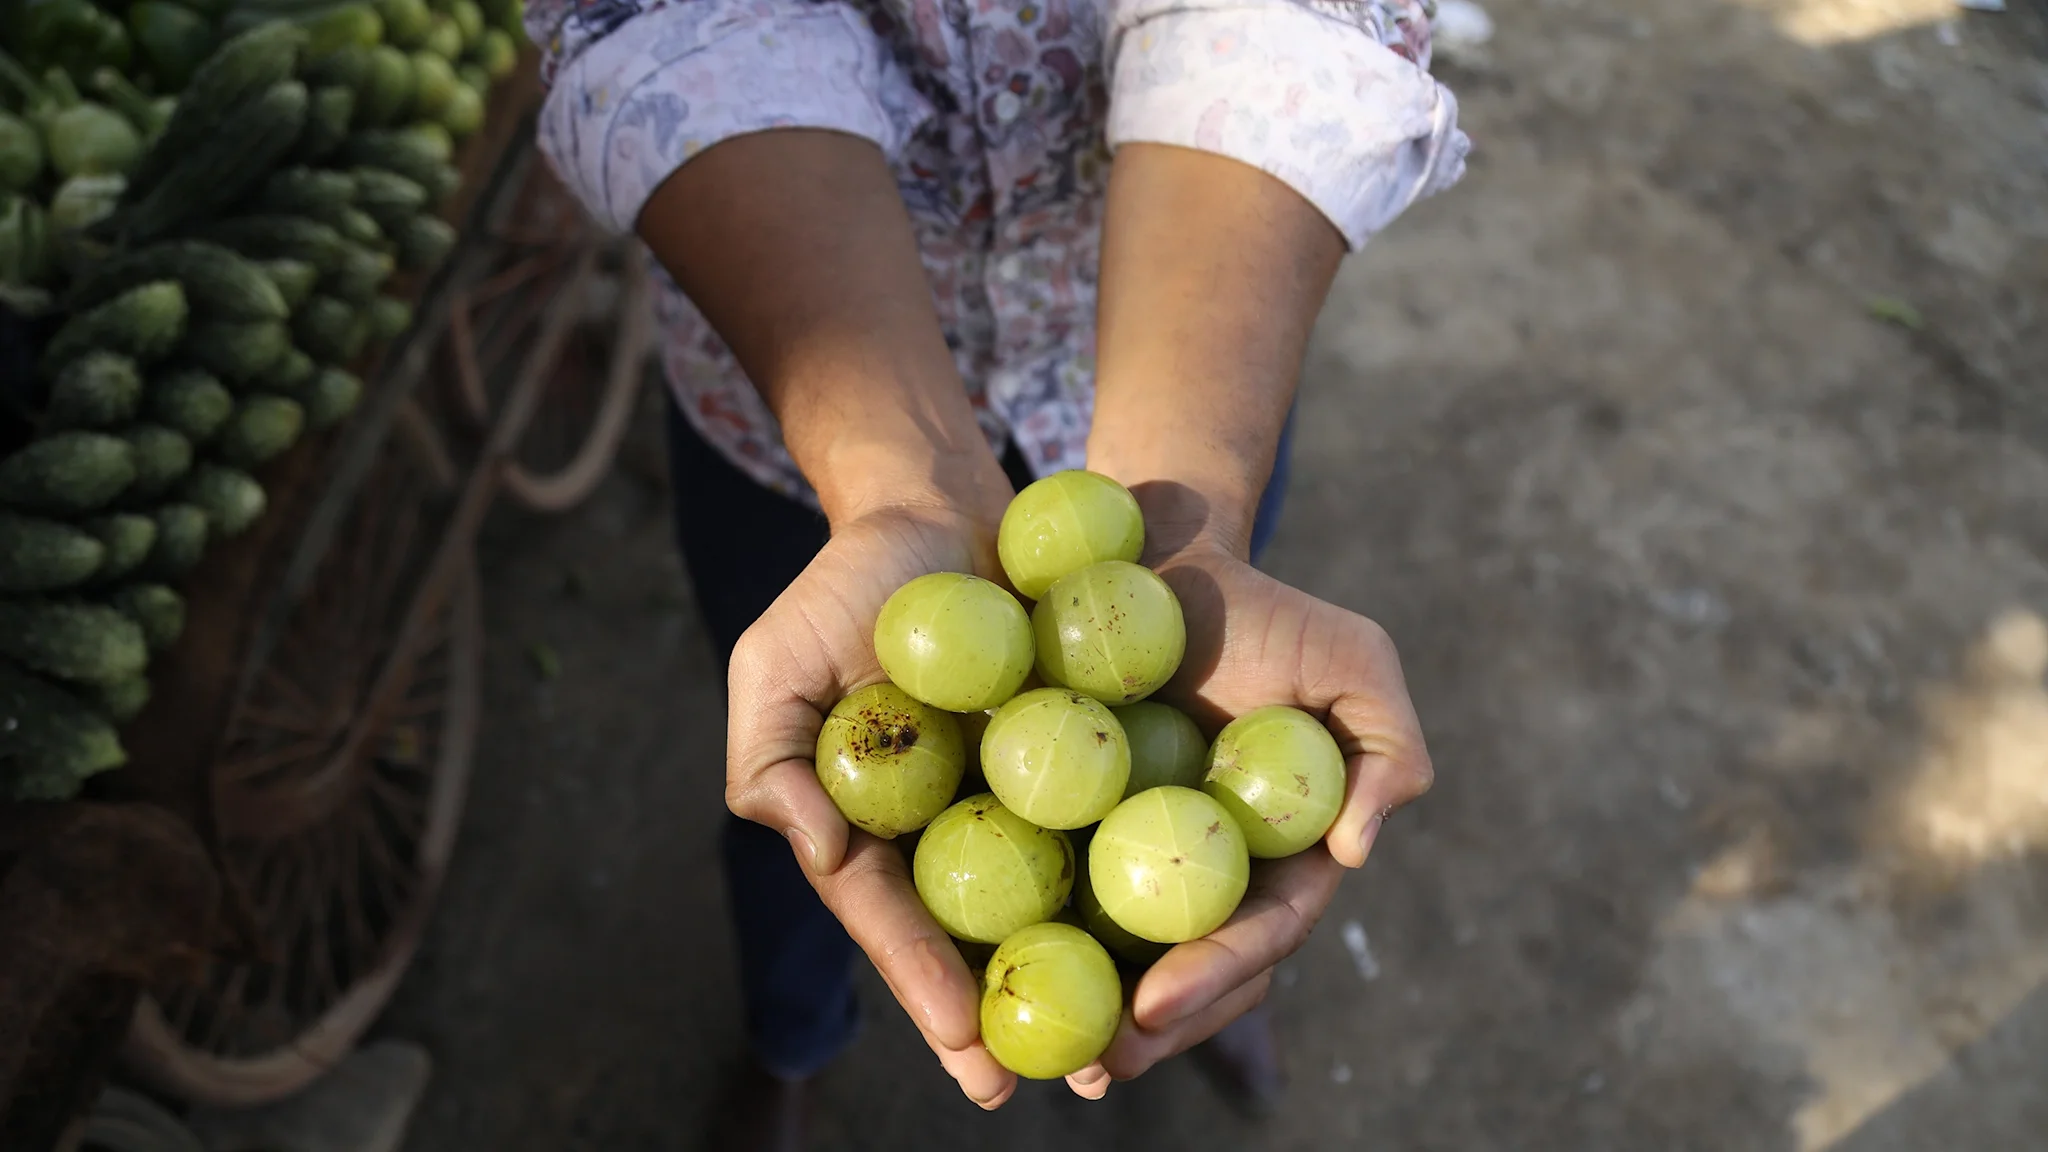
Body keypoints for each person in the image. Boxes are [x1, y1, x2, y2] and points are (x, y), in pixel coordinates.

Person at [523, 0, 1464, 1144]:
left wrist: (1190, 507)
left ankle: (1184, 993)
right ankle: (790, 1034)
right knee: (800, 813)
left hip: (1180, 419)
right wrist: (891, 489)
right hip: (794, 431)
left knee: (1203, 721)